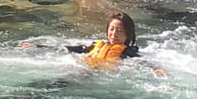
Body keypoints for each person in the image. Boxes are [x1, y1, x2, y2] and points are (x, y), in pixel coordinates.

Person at [21, 13, 168, 75]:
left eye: (119, 31)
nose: (114, 34)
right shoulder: (95, 45)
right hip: (84, 69)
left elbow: (141, 61)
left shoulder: (126, 51)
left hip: (97, 75)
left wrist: (155, 69)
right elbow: (69, 49)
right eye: (111, 29)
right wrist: (37, 46)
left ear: (128, 34)